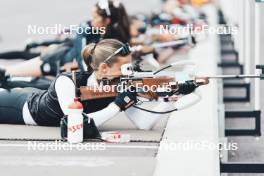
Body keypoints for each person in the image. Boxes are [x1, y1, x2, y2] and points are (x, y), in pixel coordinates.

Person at [0, 39, 202, 130]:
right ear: (104, 68)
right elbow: (75, 124)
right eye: (124, 67)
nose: (128, 73)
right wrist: (117, 106)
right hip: (21, 108)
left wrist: (170, 98)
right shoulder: (67, 81)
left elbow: (144, 124)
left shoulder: (119, 86)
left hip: (29, 95)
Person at [0, 0, 131, 77]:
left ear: (107, 20)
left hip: (72, 71)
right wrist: (93, 77)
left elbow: (120, 58)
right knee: (9, 73)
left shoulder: (115, 35)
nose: (92, 20)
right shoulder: (86, 27)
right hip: (57, 60)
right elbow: (82, 57)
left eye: (95, 17)